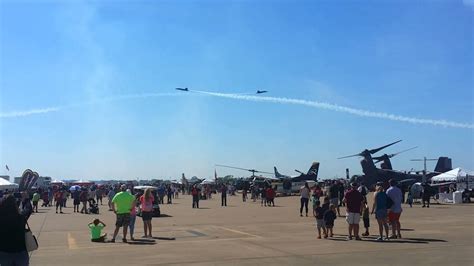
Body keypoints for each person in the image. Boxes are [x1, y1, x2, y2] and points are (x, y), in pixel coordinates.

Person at [0, 195, 30, 266]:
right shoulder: (21, 217)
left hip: (4, 252)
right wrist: (26, 199)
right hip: (20, 251)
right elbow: (28, 209)